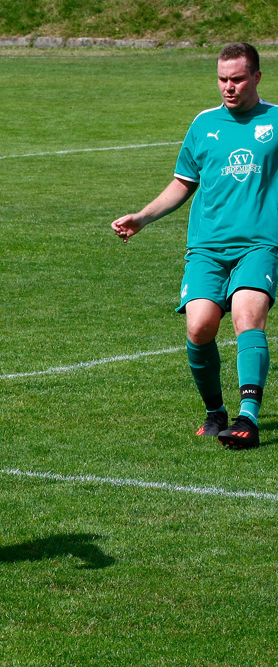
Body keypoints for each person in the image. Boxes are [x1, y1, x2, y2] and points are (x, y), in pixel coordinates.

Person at [112, 43, 278, 450]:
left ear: (256, 76)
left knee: (246, 316)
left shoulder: (275, 121)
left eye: (237, 78)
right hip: (207, 248)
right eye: (222, 79)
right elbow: (184, 181)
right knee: (200, 325)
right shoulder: (204, 124)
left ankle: (247, 419)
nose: (229, 87)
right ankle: (215, 412)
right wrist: (143, 217)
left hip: (259, 245)